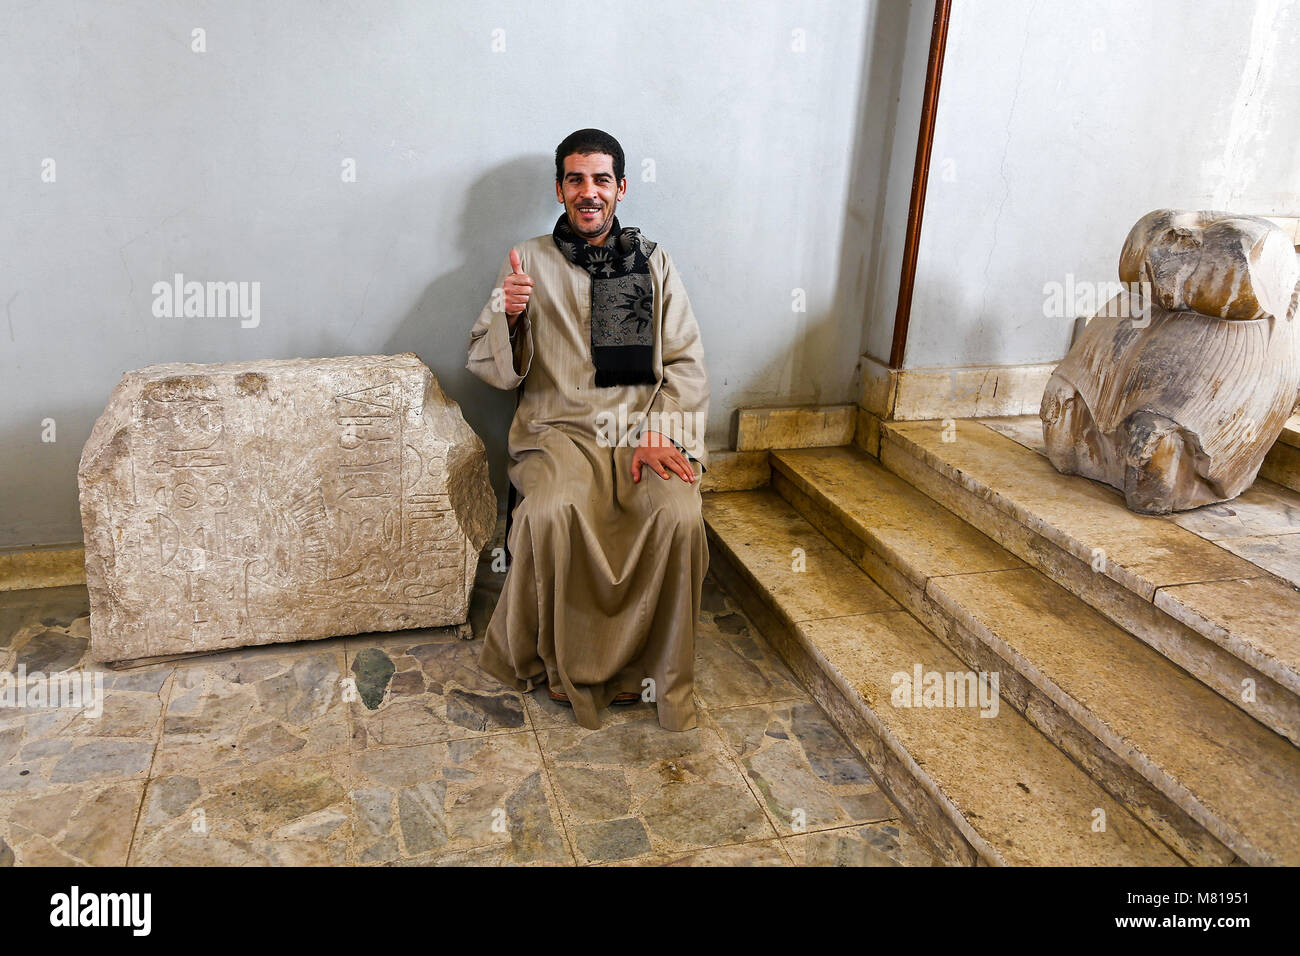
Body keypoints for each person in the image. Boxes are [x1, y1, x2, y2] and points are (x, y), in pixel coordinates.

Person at [465, 128, 709, 732]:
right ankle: (561, 663)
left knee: (678, 515)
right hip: (559, 431)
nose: (588, 191)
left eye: (601, 179)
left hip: (640, 432)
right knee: (550, 513)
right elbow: (486, 360)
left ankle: (651, 668)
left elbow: (685, 362)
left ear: (621, 188)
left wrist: (662, 432)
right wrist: (510, 315)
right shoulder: (526, 260)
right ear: (559, 188)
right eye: (576, 179)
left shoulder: (654, 263)